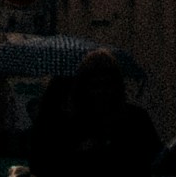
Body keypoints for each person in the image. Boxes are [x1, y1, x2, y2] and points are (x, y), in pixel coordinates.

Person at [32, 50, 163, 177]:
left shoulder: (136, 119)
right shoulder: (71, 123)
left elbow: (160, 161)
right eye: (95, 85)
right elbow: (43, 165)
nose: (102, 92)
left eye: (107, 85)